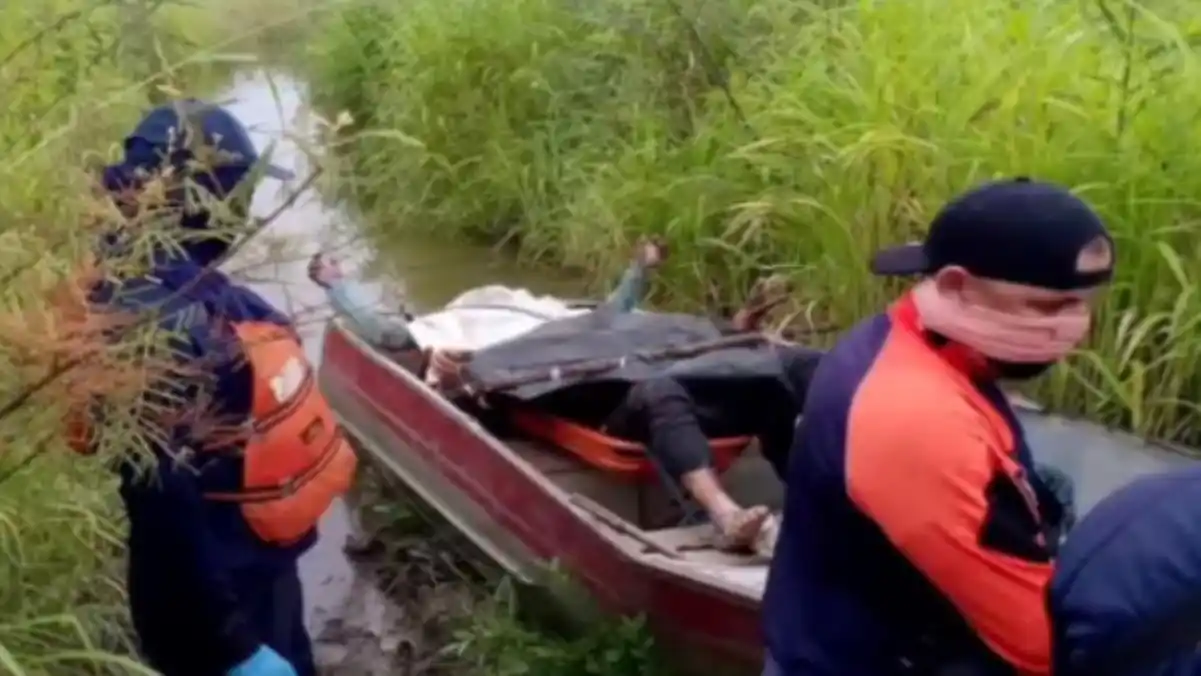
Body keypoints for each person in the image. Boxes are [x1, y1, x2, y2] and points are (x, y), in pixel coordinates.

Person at [762, 178, 1113, 675]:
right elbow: (1037, 642)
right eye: (1046, 307)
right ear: (954, 286)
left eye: (1083, 304)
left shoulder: (915, 342)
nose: (1075, 326)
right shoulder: (915, 414)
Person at [81, 100, 357, 676]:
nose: (244, 209)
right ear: (202, 199)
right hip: (219, 599)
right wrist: (233, 648)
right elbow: (163, 510)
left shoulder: (144, 279)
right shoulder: (156, 329)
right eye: (237, 191)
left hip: (255, 562)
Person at [601, 275, 821, 555]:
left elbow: (712, 351)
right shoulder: (594, 333)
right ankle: (726, 516)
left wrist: (738, 331)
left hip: (693, 395)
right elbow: (609, 314)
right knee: (659, 390)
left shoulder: (674, 329)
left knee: (777, 377)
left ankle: (827, 501)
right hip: (629, 406)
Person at [308, 238, 666, 385]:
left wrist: (639, 269)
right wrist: (639, 269)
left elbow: (612, 312)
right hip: (493, 322)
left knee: (397, 335)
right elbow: (612, 311)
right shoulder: (589, 328)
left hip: (519, 336)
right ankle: (333, 282)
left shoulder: (592, 340)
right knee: (397, 336)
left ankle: (333, 281)